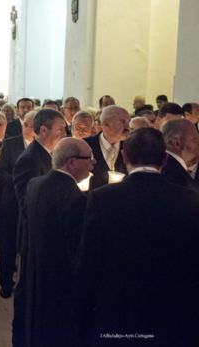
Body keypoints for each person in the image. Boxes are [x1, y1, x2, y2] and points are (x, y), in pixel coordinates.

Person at [73, 128, 199, 346]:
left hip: (118, 310)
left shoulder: (102, 199)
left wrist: (82, 317)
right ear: (165, 158)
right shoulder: (190, 199)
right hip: (173, 313)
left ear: (125, 156)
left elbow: (89, 262)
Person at [19, 138, 92, 347]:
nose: (92, 163)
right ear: (71, 162)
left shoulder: (35, 183)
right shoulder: (75, 198)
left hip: (36, 272)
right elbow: (75, 251)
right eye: (88, 159)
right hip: (60, 283)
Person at [12, 108, 66, 347]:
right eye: (60, 129)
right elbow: (27, 204)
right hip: (35, 236)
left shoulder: (51, 154)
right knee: (28, 290)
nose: (65, 133)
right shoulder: (30, 159)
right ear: (43, 130)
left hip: (49, 237)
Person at [0, 110, 36, 298]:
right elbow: (1, 173)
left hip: (34, 203)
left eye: (32, 125)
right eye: (26, 125)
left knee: (29, 244)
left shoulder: (45, 147)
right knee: (7, 244)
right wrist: (21, 181)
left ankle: (28, 282)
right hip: (11, 203)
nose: (28, 129)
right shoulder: (11, 144)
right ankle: (5, 281)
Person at [84, 105, 129, 189]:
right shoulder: (85, 145)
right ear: (105, 124)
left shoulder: (130, 147)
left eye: (128, 122)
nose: (128, 126)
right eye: (123, 122)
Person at [161, 118, 199, 191]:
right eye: (194, 139)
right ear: (176, 142)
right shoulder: (171, 174)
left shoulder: (159, 164)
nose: (198, 143)